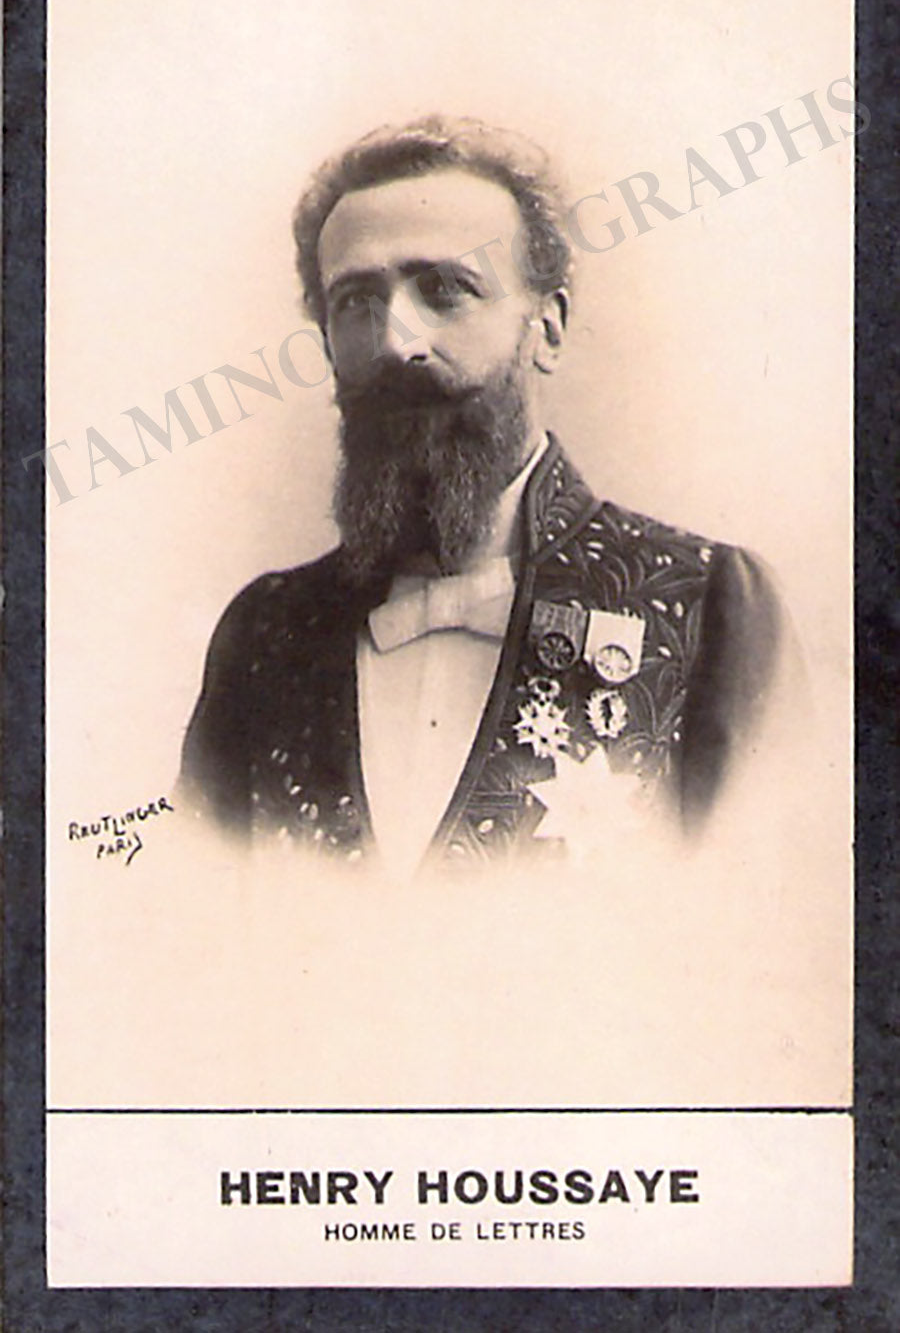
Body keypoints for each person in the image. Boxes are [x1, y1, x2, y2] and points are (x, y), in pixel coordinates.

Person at [179, 115, 783, 876]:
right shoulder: (263, 636)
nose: (397, 341)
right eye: (357, 301)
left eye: (445, 290)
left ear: (548, 328)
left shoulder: (708, 608)